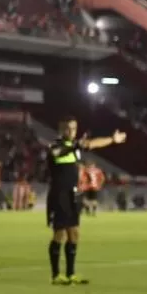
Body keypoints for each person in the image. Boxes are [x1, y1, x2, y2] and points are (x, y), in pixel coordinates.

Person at [46, 118, 126, 285]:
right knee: (59, 234)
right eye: (68, 129)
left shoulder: (75, 147)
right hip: (59, 195)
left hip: (73, 195)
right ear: (62, 130)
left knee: (74, 233)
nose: (71, 131)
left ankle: (70, 274)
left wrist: (112, 139)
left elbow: (93, 143)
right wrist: (77, 145)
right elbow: (57, 153)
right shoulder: (55, 145)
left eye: (74, 128)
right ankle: (55, 275)